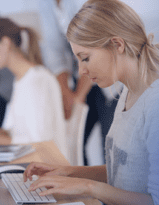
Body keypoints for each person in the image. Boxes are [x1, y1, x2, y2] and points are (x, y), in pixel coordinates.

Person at [23, 0, 159, 204]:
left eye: (85, 58)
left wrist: (90, 188)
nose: (81, 71)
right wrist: (70, 172)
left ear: (117, 45)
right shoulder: (128, 92)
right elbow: (125, 170)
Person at [38, 0, 119, 165]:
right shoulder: (45, 3)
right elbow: (54, 50)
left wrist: (78, 96)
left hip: (108, 79)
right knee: (74, 143)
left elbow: (94, 47)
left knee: (112, 150)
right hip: (83, 75)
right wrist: (66, 92)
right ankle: (84, 187)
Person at [0, 18, 66, 150]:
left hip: (46, 163)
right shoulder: (20, 80)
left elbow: (37, 140)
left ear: (5, 43)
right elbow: (13, 131)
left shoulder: (37, 80)